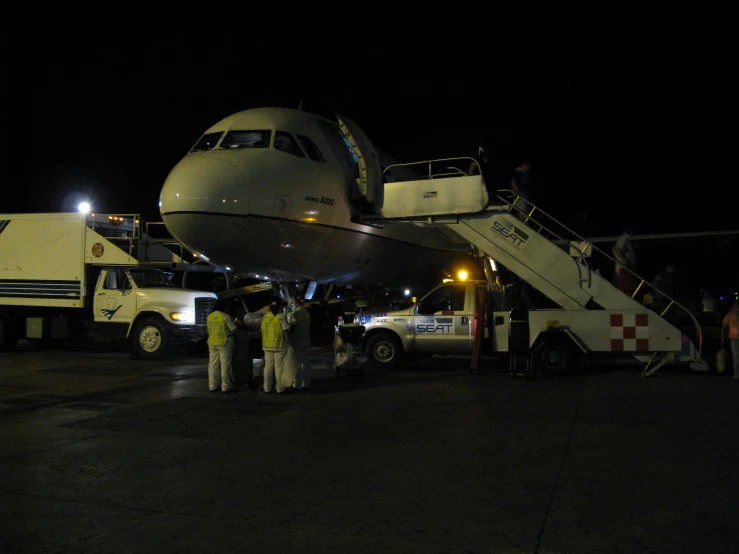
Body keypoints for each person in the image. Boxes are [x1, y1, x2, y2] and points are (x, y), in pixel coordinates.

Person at [206, 298, 241, 393]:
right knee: (225, 364)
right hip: (225, 342)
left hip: (212, 342)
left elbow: (208, 329)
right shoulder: (226, 317)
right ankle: (226, 386)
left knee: (213, 364)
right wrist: (237, 324)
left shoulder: (209, 317)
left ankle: (213, 385)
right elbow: (234, 330)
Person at [261, 300, 291, 394]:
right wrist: (289, 342)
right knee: (279, 367)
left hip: (267, 345)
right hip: (279, 345)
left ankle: (267, 388)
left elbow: (262, 329)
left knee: (268, 367)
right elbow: (285, 330)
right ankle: (280, 388)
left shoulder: (265, 316)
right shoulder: (281, 316)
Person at [289, 296, 313, 391]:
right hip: (306, 339)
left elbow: (292, 326)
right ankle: (306, 382)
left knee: (297, 362)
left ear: (295, 303)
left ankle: (297, 383)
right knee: (306, 362)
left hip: (297, 340)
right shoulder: (306, 313)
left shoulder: (296, 313)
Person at [612, 226, 638, 296]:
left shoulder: (629, 239)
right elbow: (616, 250)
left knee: (630, 285)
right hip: (624, 267)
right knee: (626, 286)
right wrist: (625, 262)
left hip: (628, 267)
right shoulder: (623, 238)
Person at [720, 300, 739, 381]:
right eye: (736, 308)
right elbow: (723, 327)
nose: (737, 310)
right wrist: (722, 338)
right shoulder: (729, 316)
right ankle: (736, 375)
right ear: (732, 308)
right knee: (736, 357)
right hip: (734, 339)